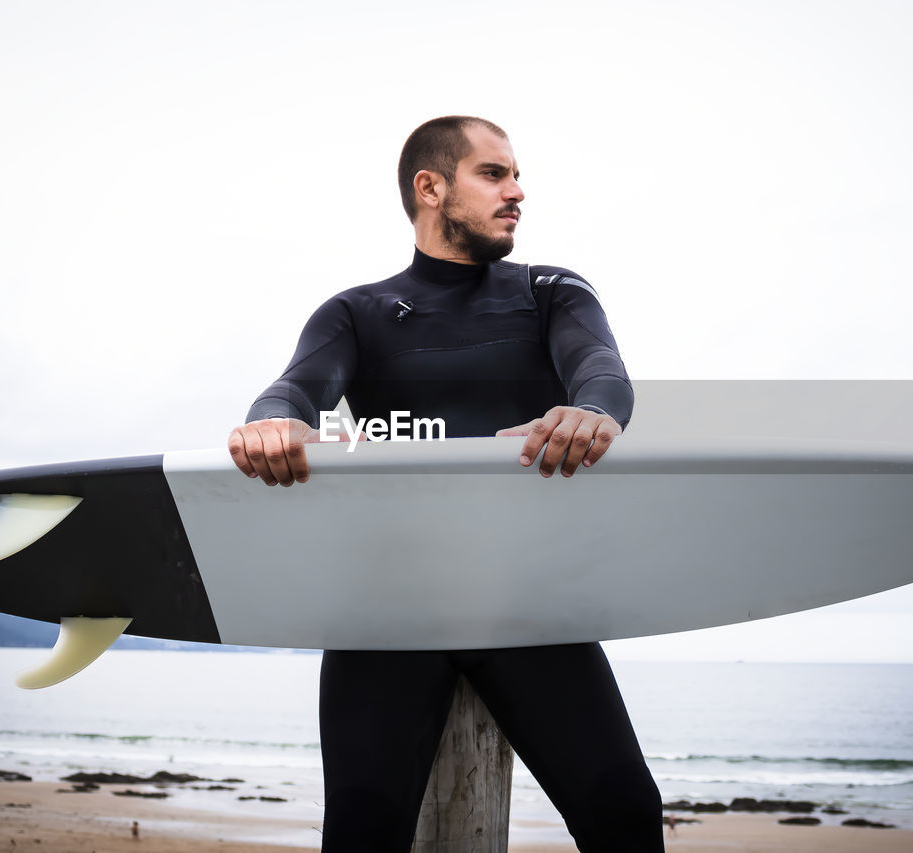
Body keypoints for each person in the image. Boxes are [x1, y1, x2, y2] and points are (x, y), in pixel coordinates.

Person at [227, 116, 662, 852]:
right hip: (390, 605)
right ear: (431, 187)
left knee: (623, 809)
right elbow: (293, 391)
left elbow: (601, 372)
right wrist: (272, 424)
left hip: (527, 602)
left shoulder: (551, 291)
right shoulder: (355, 314)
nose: (517, 191)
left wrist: (589, 413)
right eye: (493, 173)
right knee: (363, 827)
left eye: (518, 174)